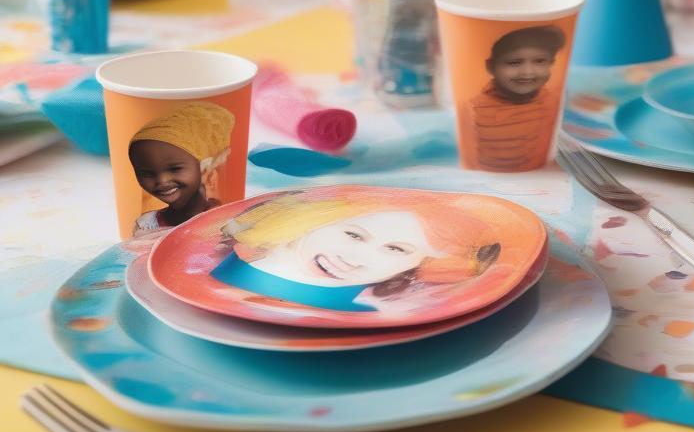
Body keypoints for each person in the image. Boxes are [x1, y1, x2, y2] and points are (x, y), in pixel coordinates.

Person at [213, 192, 501, 312]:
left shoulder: (373, 311)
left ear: (416, 266)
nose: (355, 257)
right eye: (353, 234)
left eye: (395, 249)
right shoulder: (224, 268)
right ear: (312, 223)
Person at [465, 25, 566, 172]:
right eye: (514, 62)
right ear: (491, 67)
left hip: (537, 177)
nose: (528, 72)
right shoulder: (474, 108)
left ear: (551, 63)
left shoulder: (550, 101)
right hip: (487, 177)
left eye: (540, 61)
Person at [128, 100, 233, 234]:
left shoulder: (224, 221)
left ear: (205, 167)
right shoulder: (145, 225)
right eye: (147, 173)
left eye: (175, 169)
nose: (162, 180)